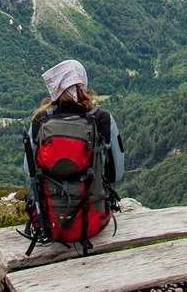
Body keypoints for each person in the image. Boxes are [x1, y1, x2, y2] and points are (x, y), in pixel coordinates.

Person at [20, 59, 126, 252]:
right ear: (83, 84)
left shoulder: (39, 121)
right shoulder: (103, 120)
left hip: (49, 222)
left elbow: (29, 170)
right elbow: (116, 175)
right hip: (93, 222)